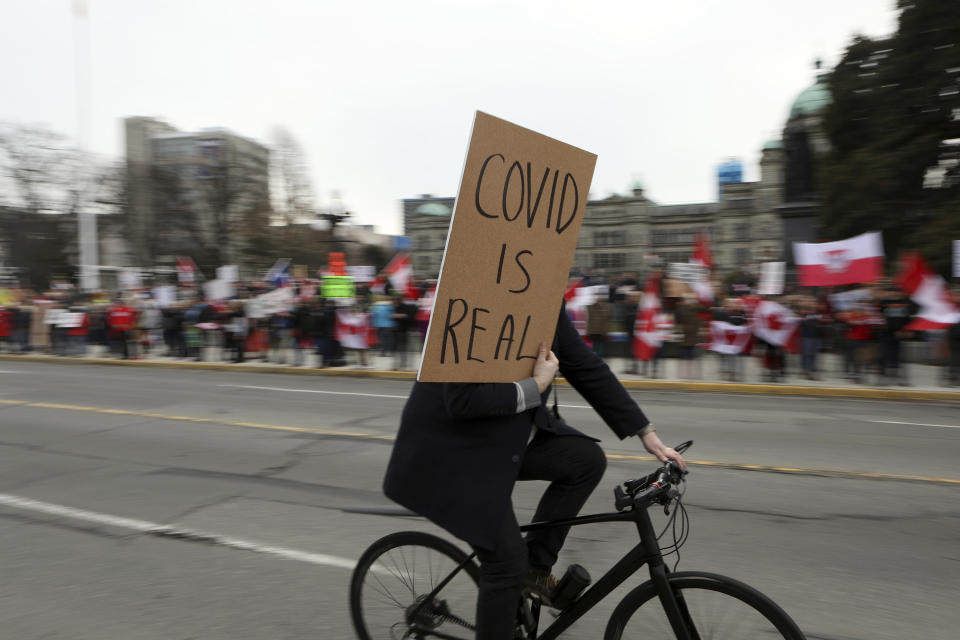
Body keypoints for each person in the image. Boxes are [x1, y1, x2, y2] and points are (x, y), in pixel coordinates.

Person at [382, 304, 685, 640]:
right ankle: (515, 574)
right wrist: (536, 385)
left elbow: (585, 365)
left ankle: (534, 570)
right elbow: (462, 400)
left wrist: (646, 433)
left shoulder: (543, 295)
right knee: (505, 564)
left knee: (586, 460)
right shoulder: (469, 299)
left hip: (504, 440)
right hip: (454, 453)